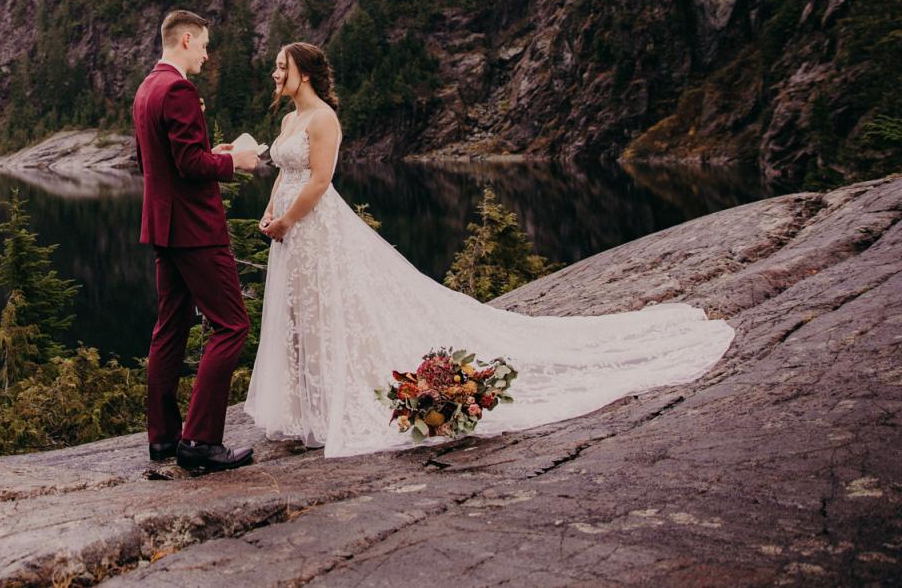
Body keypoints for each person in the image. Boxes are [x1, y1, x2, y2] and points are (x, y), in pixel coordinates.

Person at [244, 42, 735, 457]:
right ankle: (306, 408)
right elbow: (286, 176)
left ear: (302, 72)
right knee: (296, 317)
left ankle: (332, 406)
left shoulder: (324, 118)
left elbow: (322, 180)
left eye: (281, 66)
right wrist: (270, 212)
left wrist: (287, 219)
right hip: (288, 231)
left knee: (323, 313)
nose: (274, 73)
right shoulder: (292, 119)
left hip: (311, 227)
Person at [133, 9, 261, 472]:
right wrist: (235, 163)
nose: (208, 54)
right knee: (232, 326)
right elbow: (189, 167)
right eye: (205, 45)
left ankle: (163, 440)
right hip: (195, 230)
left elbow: (163, 160)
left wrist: (213, 153)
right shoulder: (180, 89)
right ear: (186, 40)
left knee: (169, 330)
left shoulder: (148, 88)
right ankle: (201, 441)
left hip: (164, 227)